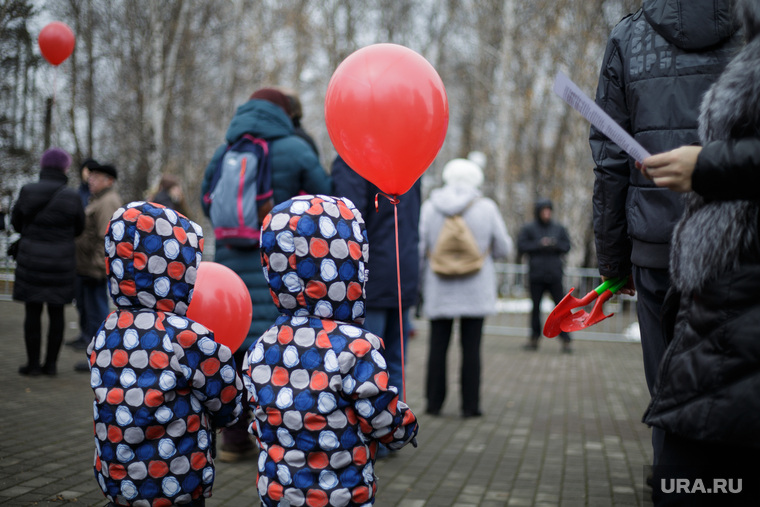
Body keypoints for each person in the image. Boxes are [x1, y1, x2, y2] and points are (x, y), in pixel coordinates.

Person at [589, 0, 741, 470]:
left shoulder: (627, 38)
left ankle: (674, 487)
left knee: (668, 394)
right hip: (736, 247)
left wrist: (614, 263)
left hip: (656, 250)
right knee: (735, 392)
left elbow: (611, 162)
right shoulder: (751, 28)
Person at [639, 1, 760, 502]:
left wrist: (710, 165)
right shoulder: (744, 44)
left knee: (689, 474)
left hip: (732, 291)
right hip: (716, 290)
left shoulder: (632, 35)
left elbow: (607, 166)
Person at [243, 194, 419, 505]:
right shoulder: (355, 347)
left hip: (278, 491)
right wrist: (405, 427)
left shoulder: (262, 345)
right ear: (350, 264)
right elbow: (378, 415)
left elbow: (257, 417)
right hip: (341, 493)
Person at [201, 87, 331, 461]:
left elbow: (205, 198)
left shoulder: (227, 149)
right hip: (278, 267)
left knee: (236, 355)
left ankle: (234, 440)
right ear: (287, 114)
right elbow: (324, 198)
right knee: (280, 356)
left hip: (230, 269)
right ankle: (279, 441)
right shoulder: (295, 149)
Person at [85, 201, 244, 507]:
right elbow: (227, 395)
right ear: (178, 268)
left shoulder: (106, 330)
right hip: (175, 482)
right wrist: (226, 416)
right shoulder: (183, 337)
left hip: (118, 480)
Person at [418, 158, 514, 417]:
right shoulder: (486, 207)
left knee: (437, 347)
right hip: (476, 288)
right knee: (472, 349)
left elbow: (419, 248)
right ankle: (470, 406)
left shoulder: (429, 207)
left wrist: (418, 283)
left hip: (439, 288)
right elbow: (504, 248)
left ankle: (433, 404)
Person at [332, 155, 421, 397]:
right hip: (404, 271)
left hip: (369, 276)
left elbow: (347, 220)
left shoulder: (354, 158)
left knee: (368, 364)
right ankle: (394, 427)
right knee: (394, 363)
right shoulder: (409, 159)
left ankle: (374, 430)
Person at [11, 148, 85, 376]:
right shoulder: (72, 196)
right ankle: (51, 365)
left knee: (32, 312)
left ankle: (33, 365)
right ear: (65, 167)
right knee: (57, 313)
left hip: (31, 260)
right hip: (61, 263)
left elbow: (16, 223)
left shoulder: (28, 190)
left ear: (43, 166)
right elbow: (79, 228)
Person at [73, 162, 122, 372]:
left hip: (95, 270)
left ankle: (100, 357)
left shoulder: (107, 202)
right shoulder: (100, 199)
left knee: (98, 315)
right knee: (92, 311)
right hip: (89, 268)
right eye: (90, 177)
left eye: (96, 177)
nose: (90, 180)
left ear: (108, 181)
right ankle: (94, 354)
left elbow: (106, 239)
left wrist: (98, 268)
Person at [518, 198, 572, 352]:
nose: (547, 213)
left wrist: (554, 244)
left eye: (549, 210)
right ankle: (534, 339)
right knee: (535, 308)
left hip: (555, 275)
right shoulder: (529, 228)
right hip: (536, 275)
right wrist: (539, 244)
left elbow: (567, 246)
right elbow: (521, 246)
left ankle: (566, 340)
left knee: (561, 309)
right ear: (538, 212)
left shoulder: (558, 228)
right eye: (544, 210)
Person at [67, 157, 98, 351]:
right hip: (78, 257)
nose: (88, 175)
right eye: (86, 171)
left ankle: (91, 337)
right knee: (81, 300)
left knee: (93, 302)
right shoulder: (80, 192)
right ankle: (84, 333)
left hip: (90, 260)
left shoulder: (95, 196)